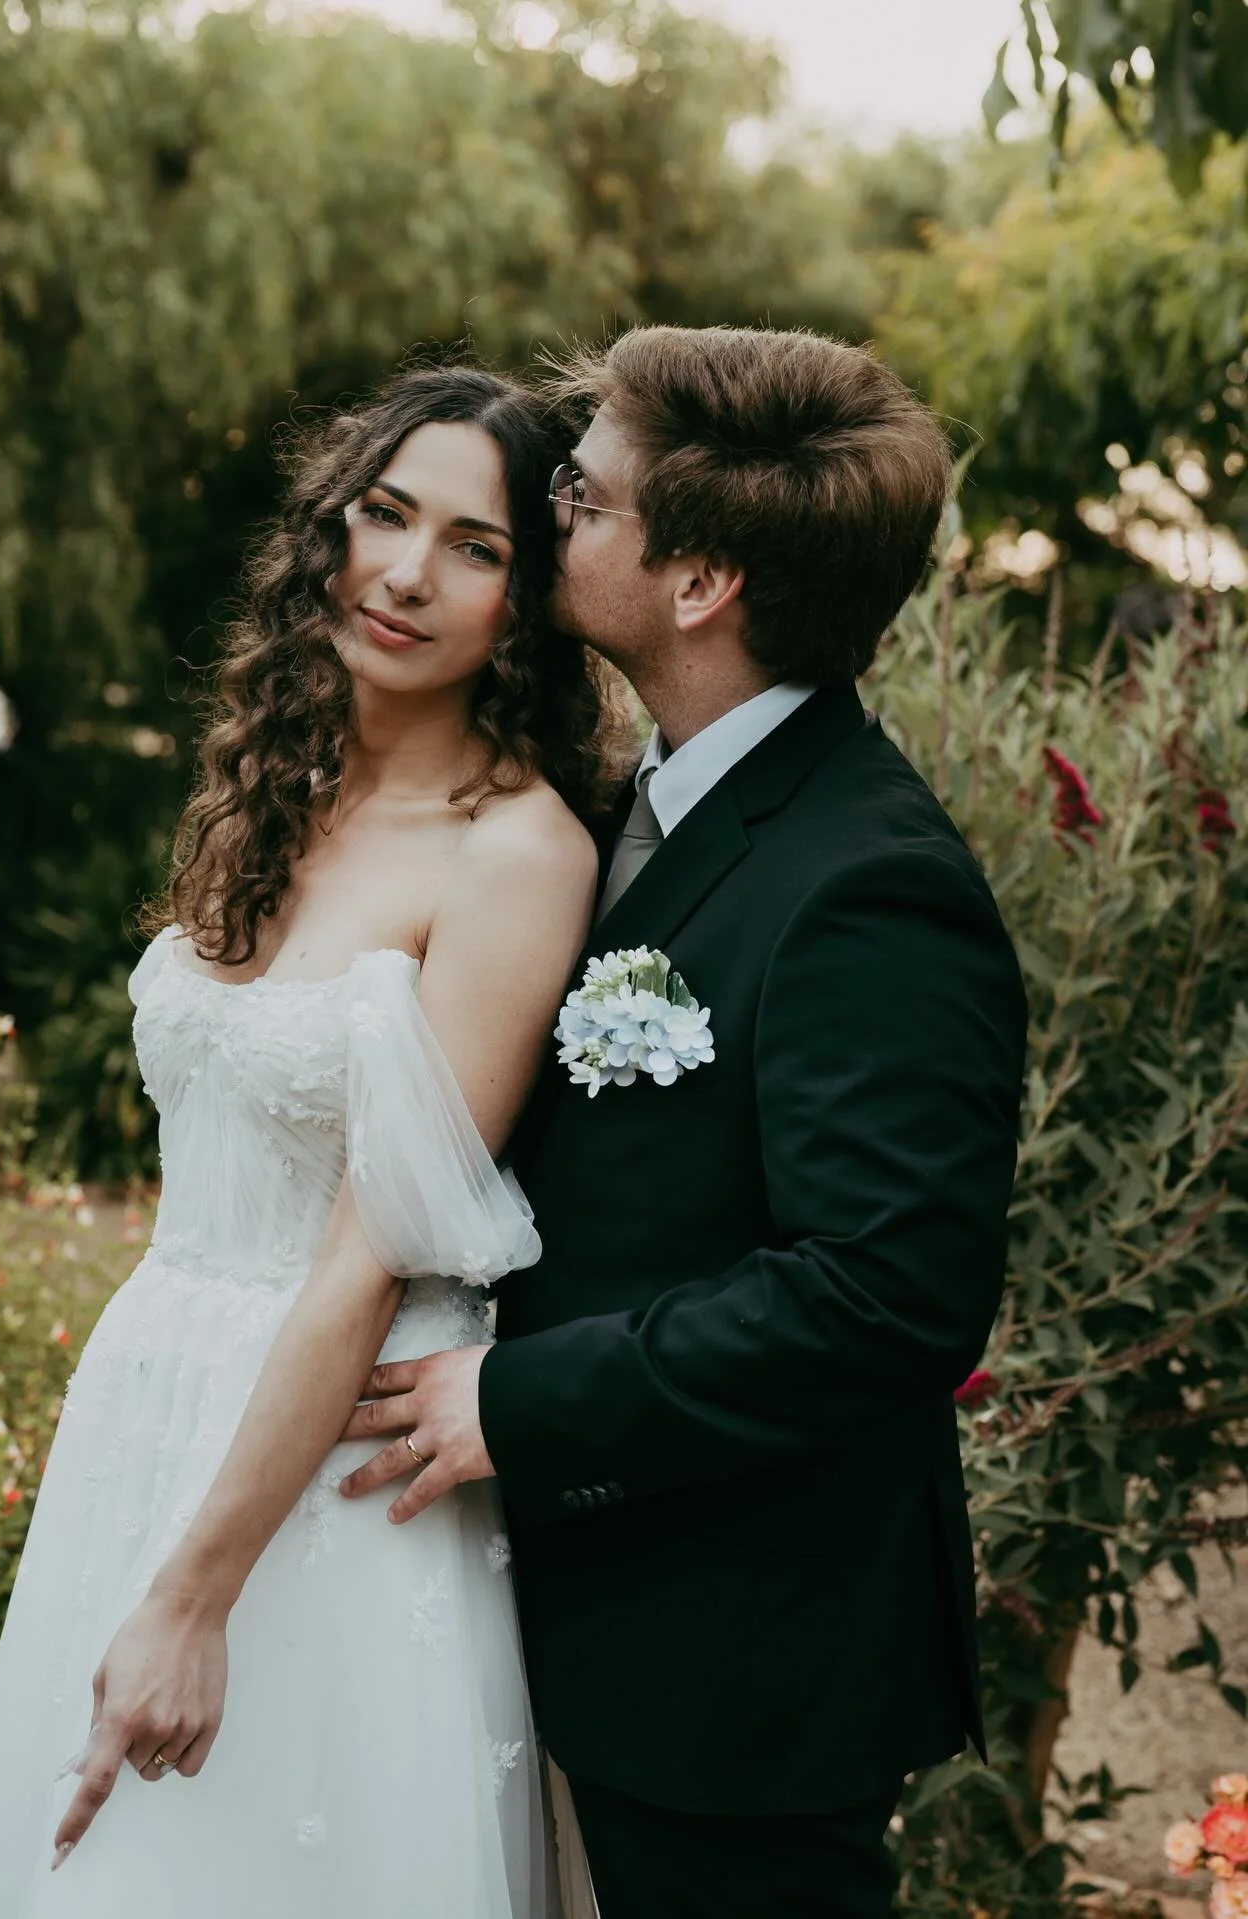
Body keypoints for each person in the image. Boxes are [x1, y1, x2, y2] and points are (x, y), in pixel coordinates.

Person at [340, 325, 1029, 1919]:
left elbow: (888, 1292)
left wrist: (523, 1397)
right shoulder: (627, 806)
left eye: (581, 497)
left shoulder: (870, 882)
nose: (550, 510)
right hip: (580, 1621)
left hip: (740, 1675)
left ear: (702, 579)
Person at [0, 365, 621, 1919]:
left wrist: (195, 1591)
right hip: (151, 1401)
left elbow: (369, 1256)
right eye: (384, 514)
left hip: (336, 1472)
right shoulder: (270, 783)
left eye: (473, 545)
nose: (403, 573)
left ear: (525, 603)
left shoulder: (518, 853)